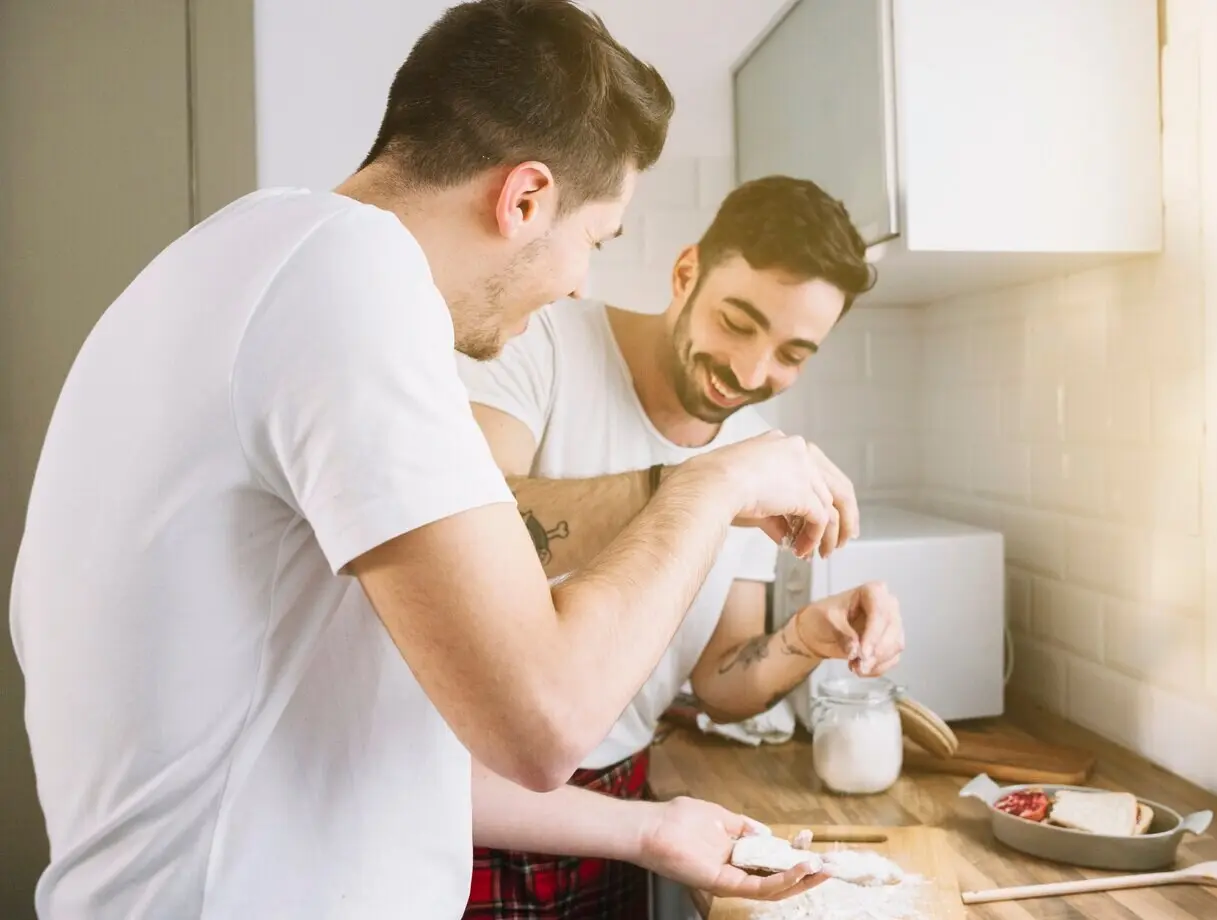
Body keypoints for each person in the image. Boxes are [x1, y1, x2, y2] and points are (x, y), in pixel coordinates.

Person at [7, 4, 848, 918]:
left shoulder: (241, 262)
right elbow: (545, 719)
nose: (579, 281)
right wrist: (714, 480)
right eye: (595, 240)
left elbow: (385, 741)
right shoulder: (352, 276)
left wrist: (646, 832)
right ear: (524, 199)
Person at [457, 175, 906, 918]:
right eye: (737, 321)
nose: (751, 372)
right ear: (686, 272)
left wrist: (803, 638)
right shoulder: (540, 343)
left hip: (619, 810)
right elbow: (473, 540)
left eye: (793, 352)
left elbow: (722, 683)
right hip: (471, 806)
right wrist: (700, 485)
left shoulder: (757, 454)